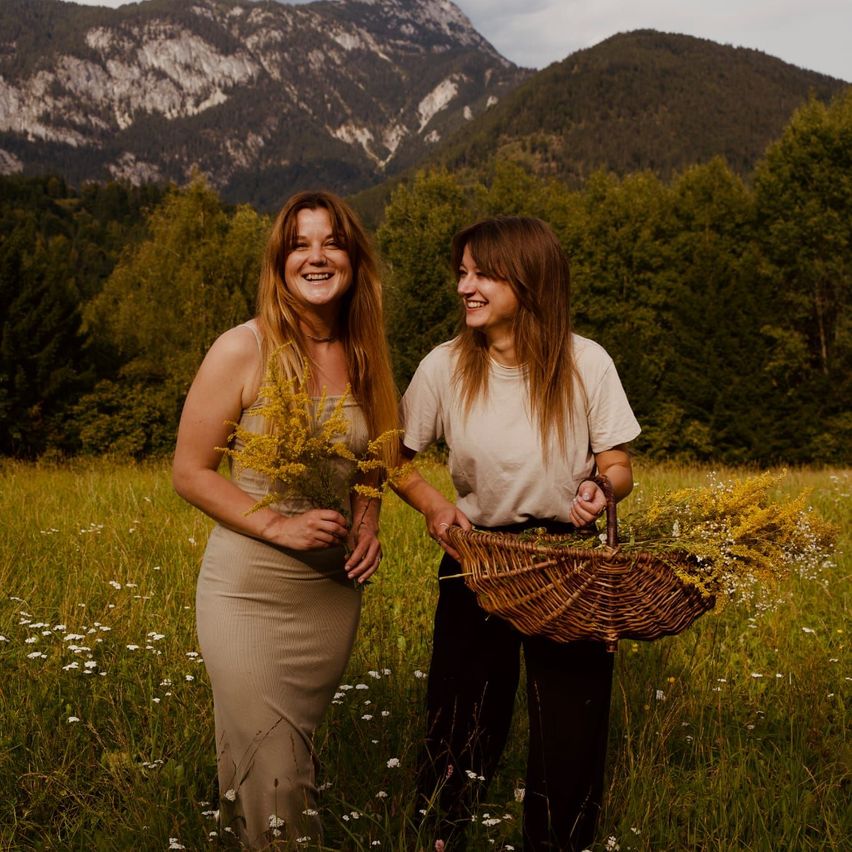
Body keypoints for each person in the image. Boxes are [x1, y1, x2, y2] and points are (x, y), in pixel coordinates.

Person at [395, 216, 641, 851]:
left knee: (570, 731)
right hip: (477, 560)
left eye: (481, 274)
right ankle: (440, 837)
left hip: (567, 565)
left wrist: (601, 488)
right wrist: (431, 505)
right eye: (463, 273)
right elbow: (390, 457)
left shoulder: (587, 361)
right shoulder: (444, 366)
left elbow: (617, 464)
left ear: (528, 281)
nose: (464, 288)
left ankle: (558, 843)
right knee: (459, 725)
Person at [172, 190, 398, 849]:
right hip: (247, 593)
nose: (317, 256)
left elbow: (377, 454)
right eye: (300, 244)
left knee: (262, 766)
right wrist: (275, 526)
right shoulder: (242, 348)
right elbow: (190, 472)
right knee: (280, 777)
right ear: (280, 261)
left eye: (331, 243)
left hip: (328, 600)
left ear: (353, 259)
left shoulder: (365, 354)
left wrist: (369, 518)